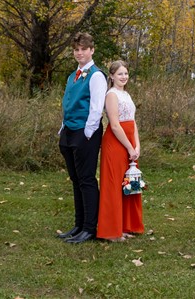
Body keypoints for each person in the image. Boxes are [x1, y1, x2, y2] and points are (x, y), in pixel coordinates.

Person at [57, 32, 107, 244]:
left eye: (83, 49)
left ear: (92, 50)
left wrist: (87, 133)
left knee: (86, 179)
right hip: (68, 131)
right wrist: (63, 128)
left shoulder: (96, 76)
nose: (79, 53)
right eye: (76, 50)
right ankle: (78, 224)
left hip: (85, 132)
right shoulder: (72, 76)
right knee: (75, 179)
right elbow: (68, 103)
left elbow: (97, 108)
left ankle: (90, 227)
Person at [96, 61, 144, 241]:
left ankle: (126, 225)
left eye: (126, 73)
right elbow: (115, 125)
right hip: (116, 143)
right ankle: (111, 230)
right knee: (114, 184)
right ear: (111, 76)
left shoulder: (126, 94)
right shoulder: (111, 95)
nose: (123, 77)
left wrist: (137, 145)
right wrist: (129, 146)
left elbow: (133, 121)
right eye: (120, 74)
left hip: (130, 141)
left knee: (129, 184)